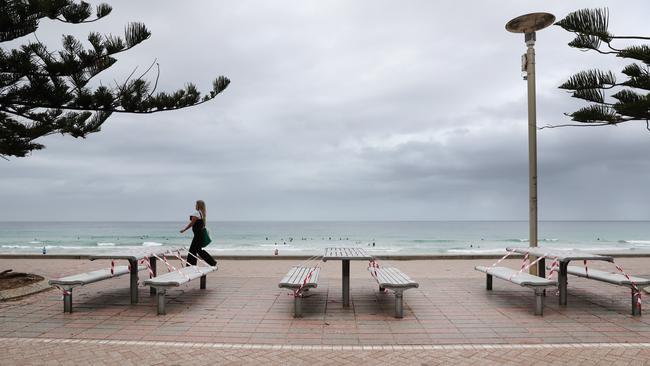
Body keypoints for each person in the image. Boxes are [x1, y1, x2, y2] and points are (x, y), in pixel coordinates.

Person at [180, 200, 217, 266]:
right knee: (196, 250)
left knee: (193, 250)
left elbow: (192, 223)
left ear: (198, 205)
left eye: (196, 204)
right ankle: (211, 262)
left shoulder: (197, 213)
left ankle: (211, 262)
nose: (195, 205)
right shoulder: (202, 213)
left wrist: (184, 229)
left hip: (198, 235)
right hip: (199, 234)